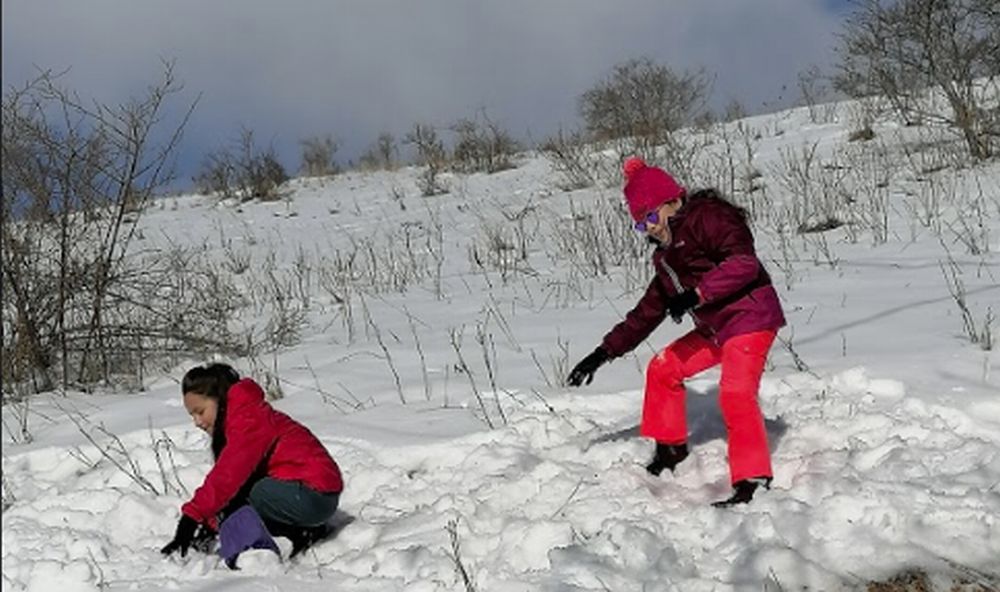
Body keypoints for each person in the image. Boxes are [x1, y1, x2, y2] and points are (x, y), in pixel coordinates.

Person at [567, 157, 785, 507]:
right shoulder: (667, 259)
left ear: (674, 201)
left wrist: (698, 293)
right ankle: (671, 448)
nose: (650, 228)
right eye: (641, 224)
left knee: (735, 394)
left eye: (651, 217)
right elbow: (646, 313)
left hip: (750, 316)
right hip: (716, 328)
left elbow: (744, 264)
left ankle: (752, 478)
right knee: (663, 367)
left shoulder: (709, 217)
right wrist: (602, 353)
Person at [161, 363, 344, 560]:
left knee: (254, 493)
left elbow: (228, 476)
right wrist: (210, 524)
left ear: (219, 400)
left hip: (313, 496)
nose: (197, 422)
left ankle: (270, 547)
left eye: (200, 411)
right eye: (192, 415)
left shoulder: (248, 419)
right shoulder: (242, 416)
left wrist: (192, 517)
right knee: (246, 495)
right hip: (307, 495)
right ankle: (301, 531)